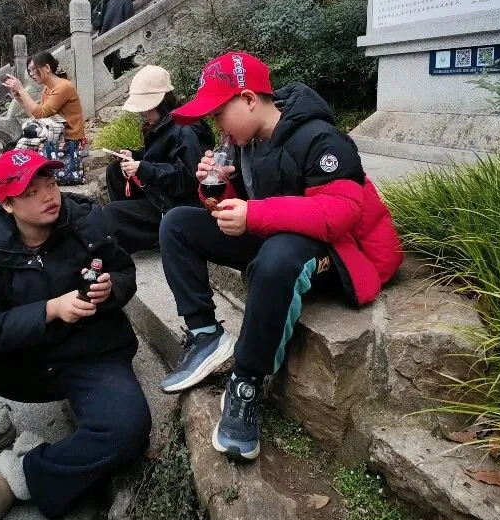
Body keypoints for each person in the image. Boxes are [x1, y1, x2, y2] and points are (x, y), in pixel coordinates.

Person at [157, 51, 403, 462]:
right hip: (278, 235)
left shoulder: (321, 138)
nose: (217, 126)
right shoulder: (245, 143)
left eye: (219, 114)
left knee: (277, 257)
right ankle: (205, 334)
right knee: (177, 223)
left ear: (249, 99)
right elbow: (246, 204)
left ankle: (246, 382)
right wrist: (217, 186)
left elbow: (341, 212)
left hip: (338, 249)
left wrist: (253, 215)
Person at [0, 147, 150, 520]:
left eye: (51, 183)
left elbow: (124, 271)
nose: (49, 196)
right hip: (27, 360)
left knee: (126, 429)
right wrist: (49, 310)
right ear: (7, 204)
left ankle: (22, 475)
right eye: (31, 192)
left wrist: (112, 289)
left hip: (92, 355)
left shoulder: (86, 220)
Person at [100, 65, 214, 253]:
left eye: (146, 108)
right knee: (115, 170)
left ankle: (154, 233)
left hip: (174, 204)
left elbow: (186, 180)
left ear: (162, 102)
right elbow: (158, 156)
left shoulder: (186, 130)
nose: (142, 113)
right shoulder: (165, 123)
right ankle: (133, 226)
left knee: (111, 213)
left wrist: (144, 168)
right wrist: (134, 157)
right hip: (159, 193)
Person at [3, 51, 85, 185]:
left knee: (19, 147)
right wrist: (20, 98)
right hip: (54, 136)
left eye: (33, 69)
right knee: (15, 145)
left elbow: (41, 113)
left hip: (67, 139)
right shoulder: (47, 89)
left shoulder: (64, 87)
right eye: (29, 70)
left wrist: (22, 90)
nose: (32, 74)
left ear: (47, 68)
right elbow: (38, 116)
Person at [101, 0, 134, 78]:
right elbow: (130, 20)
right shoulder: (127, 2)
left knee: (108, 61)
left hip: (107, 34)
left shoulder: (111, 2)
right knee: (119, 60)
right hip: (119, 34)